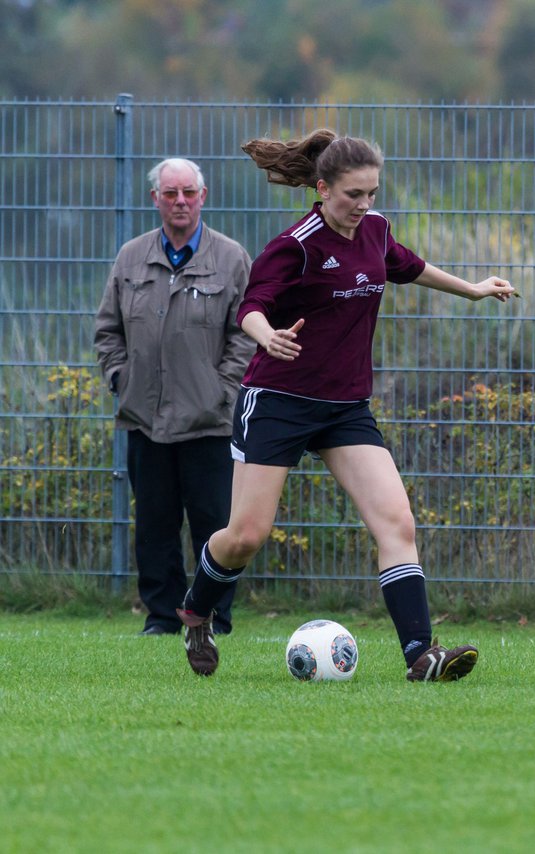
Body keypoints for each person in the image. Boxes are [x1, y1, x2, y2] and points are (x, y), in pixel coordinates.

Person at [174, 129, 516, 680]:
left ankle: (420, 655)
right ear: (323, 187)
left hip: (344, 407)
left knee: (396, 523)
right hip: (279, 399)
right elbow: (252, 305)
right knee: (245, 536)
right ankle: (197, 609)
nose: (363, 205)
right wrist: (266, 336)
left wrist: (472, 289)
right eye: (353, 195)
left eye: (372, 194)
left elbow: (409, 266)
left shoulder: (375, 232)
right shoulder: (298, 244)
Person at [95, 158, 255, 637]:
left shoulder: (230, 259)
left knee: (215, 526)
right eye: (170, 194)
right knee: (155, 529)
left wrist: (223, 390)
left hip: (209, 421)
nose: (180, 201)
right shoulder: (130, 258)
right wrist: (121, 378)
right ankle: (162, 617)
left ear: (203, 196)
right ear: (156, 200)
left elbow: (246, 333)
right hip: (145, 418)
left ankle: (214, 616)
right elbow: (108, 330)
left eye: (188, 192)